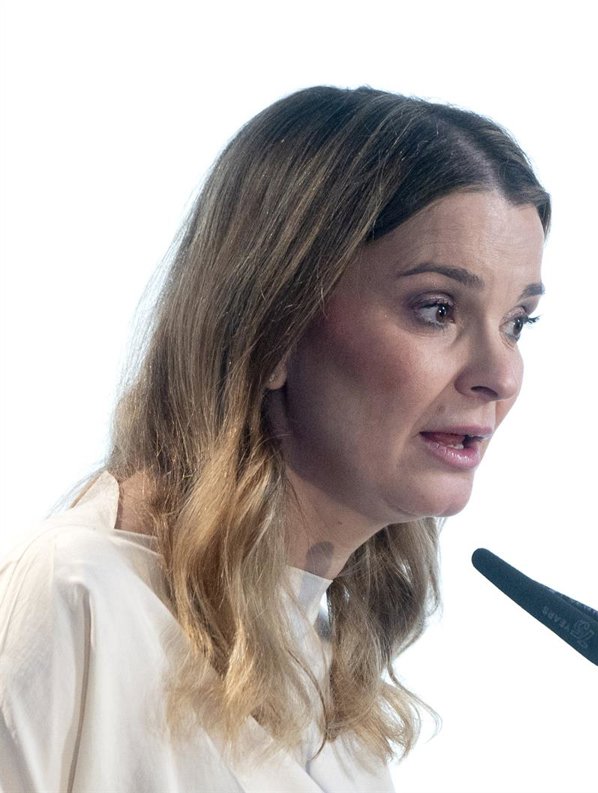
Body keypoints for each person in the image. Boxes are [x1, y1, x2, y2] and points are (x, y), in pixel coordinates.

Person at [0, 85, 550, 792]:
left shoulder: (338, 705)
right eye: (437, 309)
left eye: (517, 322)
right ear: (274, 325)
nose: (501, 375)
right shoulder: (74, 596)